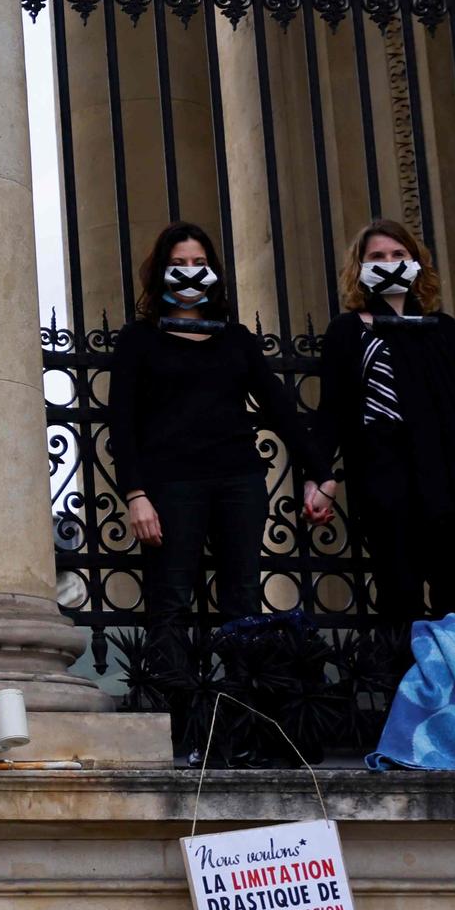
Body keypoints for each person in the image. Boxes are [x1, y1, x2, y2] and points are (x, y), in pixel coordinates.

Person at [108, 221, 326, 754]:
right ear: (160, 272)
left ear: (214, 272)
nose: (188, 272)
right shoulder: (139, 340)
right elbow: (122, 424)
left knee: (243, 603)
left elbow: (279, 408)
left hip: (238, 480)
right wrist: (135, 494)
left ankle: (245, 728)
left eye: (197, 262)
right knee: (172, 604)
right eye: (177, 264)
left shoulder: (236, 340)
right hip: (170, 484)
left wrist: (322, 473)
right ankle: (178, 730)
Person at [304, 218, 455, 638]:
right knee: (401, 596)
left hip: (453, 478)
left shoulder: (441, 329)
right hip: (387, 477)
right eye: (377, 257)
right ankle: (409, 691)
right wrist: (320, 478)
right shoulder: (349, 331)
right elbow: (333, 411)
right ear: (359, 268)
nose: (389, 263)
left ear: (417, 262)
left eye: (399, 255)